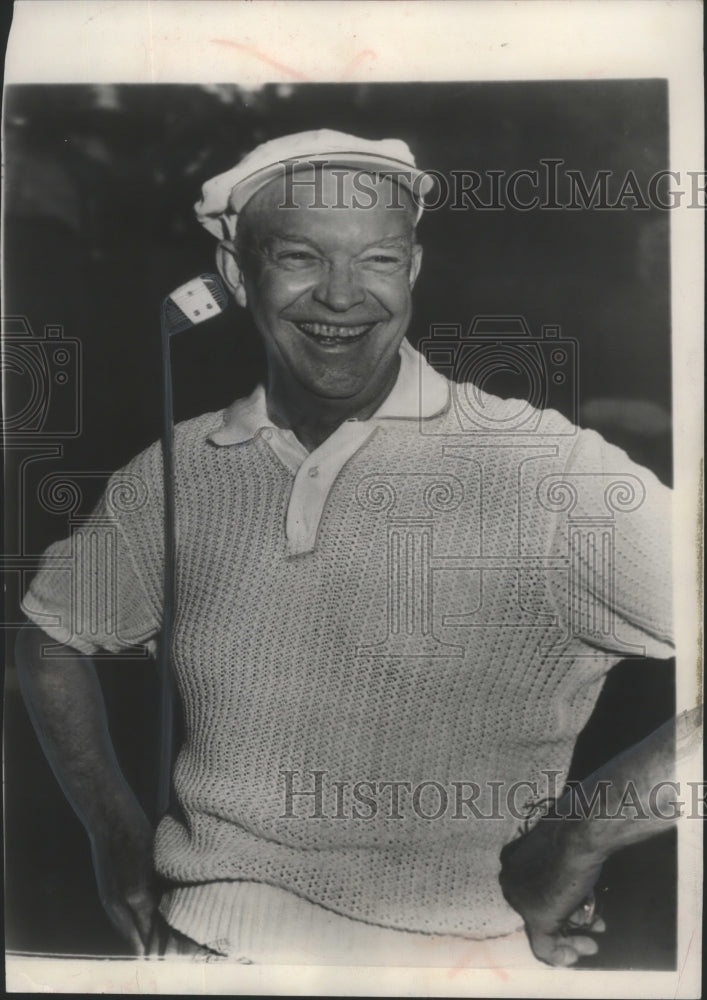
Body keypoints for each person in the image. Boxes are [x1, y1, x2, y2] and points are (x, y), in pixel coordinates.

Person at [14, 129, 694, 969]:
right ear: (236, 275)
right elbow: (52, 635)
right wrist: (114, 835)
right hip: (206, 952)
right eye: (299, 256)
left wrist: (582, 834)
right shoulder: (181, 468)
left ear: (411, 271)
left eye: (376, 260)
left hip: (459, 966)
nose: (341, 296)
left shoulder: (545, 471)